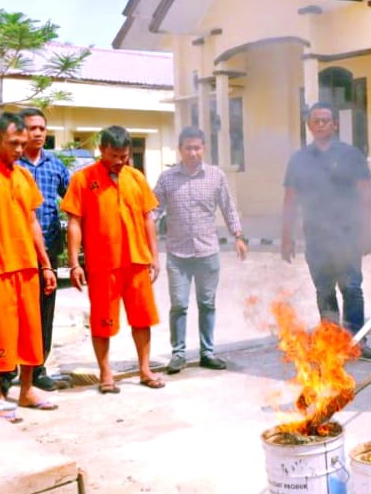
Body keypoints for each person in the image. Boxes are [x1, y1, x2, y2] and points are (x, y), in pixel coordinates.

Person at [60, 125, 164, 393]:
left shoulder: (136, 178)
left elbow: (147, 217)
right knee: (102, 321)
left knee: (142, 319)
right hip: (103, 265)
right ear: (101, 150)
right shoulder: (83, 179)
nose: (120, 162)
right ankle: (106, 375)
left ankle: (145, 369)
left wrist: (154, 255)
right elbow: (75, 222)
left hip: (137, 261)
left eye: (125, 156)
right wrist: (74, 263)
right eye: (115, 156)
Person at [281, 102, 371, 362]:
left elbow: (365, 195)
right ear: (309, 125)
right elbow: (290, 199)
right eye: (315, 120)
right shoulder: (299, 159)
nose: (320, 124)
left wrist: (366, 231)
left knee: (351, 287)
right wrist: (286, 236)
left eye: (326, 120)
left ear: (335, 124)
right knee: (324, 290)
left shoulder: (351, 155)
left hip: (347, 234)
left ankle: (355, 342)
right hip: (316, 237)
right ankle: (331, 343)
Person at [0, 112, 59, 418]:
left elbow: (32, 222)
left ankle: (26, 391)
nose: (18, 149)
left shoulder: (24, 176)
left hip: (27, 268)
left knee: (30, 334)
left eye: (22, 144)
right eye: (13, 143)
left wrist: (46, 265)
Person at [153, 126, 247, 374]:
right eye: (188, 148)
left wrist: (238, 236)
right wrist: (140, 231)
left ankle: (207, 352)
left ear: (203, 149)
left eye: (197, 148)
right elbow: (154, 210)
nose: (192, 152)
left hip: (208, 252)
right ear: (180, 150)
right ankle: (178, 354)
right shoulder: (167, 179)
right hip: (177, 254)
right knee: (179, 306)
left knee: (207, 304)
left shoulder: (216, 177)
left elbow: (229, 207)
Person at [1, 107, 73, 394]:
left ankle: (38, 368)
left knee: (43, 312)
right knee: (12, 313)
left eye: (42, 128)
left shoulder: (55, 166)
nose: (38, 133)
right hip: (14, 251)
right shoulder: (11, 167)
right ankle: (7, 371)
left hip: (47, 252)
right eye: (32, 128)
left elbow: (74, 203)